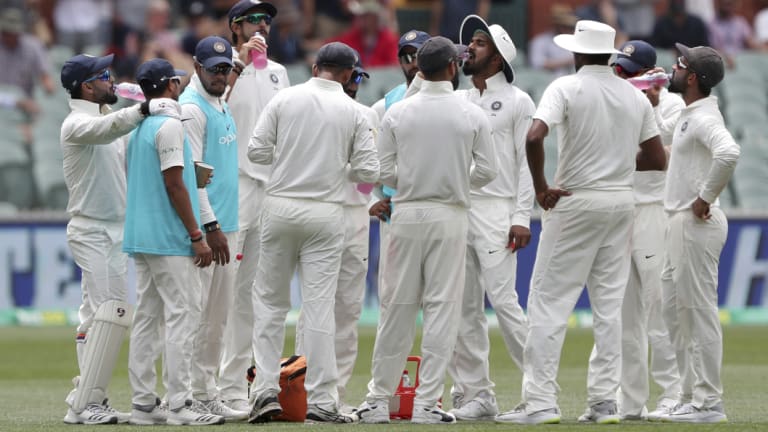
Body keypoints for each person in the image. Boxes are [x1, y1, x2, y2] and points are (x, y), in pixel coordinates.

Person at [494, 20, 666, 425]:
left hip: (575, 201)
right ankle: (604, 402)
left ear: (576, 53)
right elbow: (657, 159)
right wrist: (620, 166)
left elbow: (535, 137)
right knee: (609, 308)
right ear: (608, 54)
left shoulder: (565, 88)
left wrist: (540, 188)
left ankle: (539, 403)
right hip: (621, 203)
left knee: (548, 303)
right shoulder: (634, 96)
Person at [356, 36, 497, 425]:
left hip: (406, 212)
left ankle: (376, 401)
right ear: (453, 67)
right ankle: (426, 405)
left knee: (396, 310)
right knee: (442, 311)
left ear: (419, 69)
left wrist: (415, 179)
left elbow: (381, 172)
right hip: (449, 214)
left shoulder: (397, 113)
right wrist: (453, 180)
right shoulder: (471, 113)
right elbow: (488, 171)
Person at [247, 41, 378, 424]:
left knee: (270, 305)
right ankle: (323, 399)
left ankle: (265, 391)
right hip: (326, 212)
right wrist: (337, 167)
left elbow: (256, 152)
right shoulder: (354, 111)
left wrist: (290, 159)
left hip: (281, 205)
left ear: (316, 66)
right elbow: (369, 172)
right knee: (319, 308)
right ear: (350, 75)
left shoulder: (285, 100)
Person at [124, 58, 221, 426]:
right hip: (168, 237)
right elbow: (175, 184)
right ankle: (180, 405)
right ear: (171, 86)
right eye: (176, 82)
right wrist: (197, 235)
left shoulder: (141, 126)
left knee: (148, 318)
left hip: (141, 235)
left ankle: (143, 405)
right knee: (184, 316)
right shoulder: (170, 125)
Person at [446, 15, 534, 421]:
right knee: (464, 307)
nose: (470, 48)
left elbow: (527, 166)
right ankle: (476, 394)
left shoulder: (519, 100)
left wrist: (522, 217)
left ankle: (537, 391)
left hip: (498, 210)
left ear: (498, 58)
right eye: (470, 43)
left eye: (479, 43)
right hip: (461, 208)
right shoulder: (459, 99)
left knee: (504, 302)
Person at [59, 52, 150, 425]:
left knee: (101, 314)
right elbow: (109, 129)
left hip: (115, 229)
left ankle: (85, 396)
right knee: (105, 314)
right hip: (90, 228)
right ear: (87, 86)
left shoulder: (102, 118)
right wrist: (142, 110)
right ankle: (86, 403)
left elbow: (117, 133)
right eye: (105, 76)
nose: (113, 81)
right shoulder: (76, 123)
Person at [659, 43, 739, 423]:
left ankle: (709, 404)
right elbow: (671, 146)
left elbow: (729, 153)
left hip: (696, 225)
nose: (672, 68)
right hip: (679, 224)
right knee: (676, 313)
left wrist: (705, 196)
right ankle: (689, 397)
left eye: (679, 65)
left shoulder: (706, 117)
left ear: (691, 77)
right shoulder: (690, 114)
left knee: (699, 313)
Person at [217, 0, 290, 414]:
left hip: (271, 188)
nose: (262, 25)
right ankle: (208, 386)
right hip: (234, 184)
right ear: (236, 26)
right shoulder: (220, 64)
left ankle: (238, 386)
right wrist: (237, 65)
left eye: (266, 20)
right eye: (253, 20)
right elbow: (211, 108)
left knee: (254, 293)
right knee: (221, 290)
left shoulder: (279, 73)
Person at [295, 51, 377, 413]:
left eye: (357, 79)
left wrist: (371, 194)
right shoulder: (310, 109)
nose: (353, 84)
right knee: (315, 308)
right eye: (351, 78)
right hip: (320, 213)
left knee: (346, 309)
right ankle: (301, 390)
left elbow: (371, 171)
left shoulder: (366, 114)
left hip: (355, 217)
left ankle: (334, 396)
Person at [609, 39, 685, 421]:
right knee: (625, 315)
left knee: (658, 309)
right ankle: (632, 400)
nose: (618, 74)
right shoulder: (616, 103)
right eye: (617, 67)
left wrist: (651, 108)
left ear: (646, 72)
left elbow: (662, 156)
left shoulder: (672, 104)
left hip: (656, 211)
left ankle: (673, 393)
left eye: (625, 69)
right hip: (623, 210)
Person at [179, 36, 245, 421]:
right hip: (210, 230)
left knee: (217, 318)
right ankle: (188, 396)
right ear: (196, 66)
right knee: (200, 315)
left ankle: (205, 392)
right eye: (213, 69)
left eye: (226, 69)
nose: (221, 76)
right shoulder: (192, 110)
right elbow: (192, 176)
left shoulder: (219, 101)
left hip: (227, 224)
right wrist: (210, 226)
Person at [332, 0, 399, 67]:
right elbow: (336, 46)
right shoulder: (354, 35)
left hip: (379, 75)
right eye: (362, 16)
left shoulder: (388, 39)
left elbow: (394, 64)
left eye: (367, 16)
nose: (363, 19)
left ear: (376, 18)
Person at [528, 4, 577, 76]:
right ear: (556, 25)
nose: (568, 29)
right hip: (546, 81)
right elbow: (537, 64)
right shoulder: (540, 41)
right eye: (564, 26)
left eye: (570, 27)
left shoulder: (575, 41)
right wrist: (567, 62)